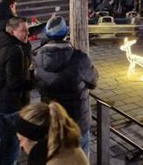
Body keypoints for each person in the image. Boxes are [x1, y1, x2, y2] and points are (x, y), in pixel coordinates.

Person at [35, 16, 99, 157]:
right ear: (65, 33)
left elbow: (37, 83)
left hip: (53, 120)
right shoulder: (79, 58)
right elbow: (93, 81)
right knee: (80, 158)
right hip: (77, 122)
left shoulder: (38, 58)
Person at [0, 17, 33, 165]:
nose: (27, 34)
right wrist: (34, 81)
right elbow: (14, 83)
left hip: (0, 101)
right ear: (12, 31)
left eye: (27, 30)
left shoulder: (0, 41)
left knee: (6, 142)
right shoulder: (14, 51)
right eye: (23, 31)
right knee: (11, 148)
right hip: (12, 105)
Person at [10, 102, 88, 164]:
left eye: (21, 140)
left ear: (35, 140)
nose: (20, 145)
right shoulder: (65, 145)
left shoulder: (50, 160)